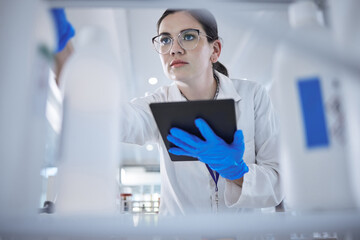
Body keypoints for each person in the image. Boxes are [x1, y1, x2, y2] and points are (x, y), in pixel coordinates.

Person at [54, 8, 283, 216]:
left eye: (189, 36)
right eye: (165, 40)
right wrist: (66, 56)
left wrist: (237, 172)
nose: (174, 49)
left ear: (215, 50)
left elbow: (278, 184)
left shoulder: (253, 96)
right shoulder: (157, 104)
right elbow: (116, 120)